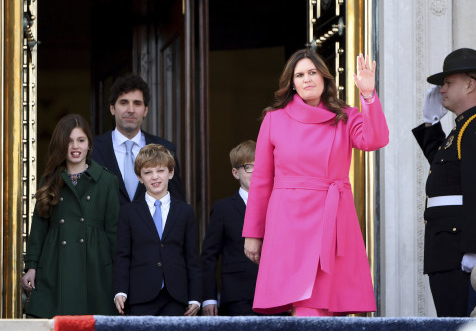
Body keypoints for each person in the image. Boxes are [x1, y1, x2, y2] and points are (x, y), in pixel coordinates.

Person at [242, 49, 389, 316]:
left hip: (331, 220)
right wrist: (253, 234)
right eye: (300, 75)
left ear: (324, 77)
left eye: (312, 73)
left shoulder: (345, 115)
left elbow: (374, 140)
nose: (307, 79)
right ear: (292, 83)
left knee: (330, 306)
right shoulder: (274, 119)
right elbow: (262, 180)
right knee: (305, 306)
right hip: (288, 221)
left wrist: (368, 95)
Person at [412, 48, 476, 317]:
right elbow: (443, 171)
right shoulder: (461, 128)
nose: (441, 90)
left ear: (470, 84)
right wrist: (430, 125)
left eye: (448, 83)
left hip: (460, 248)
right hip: (446, 249)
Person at [21, 114, 120, 317]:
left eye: (81, 140)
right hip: (55, 264)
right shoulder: (49, 180)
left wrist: (118, 276)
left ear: (89, 145)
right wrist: (31, 266)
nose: (75, 146)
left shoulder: (107, 181)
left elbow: (114, 232)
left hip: (95, 265)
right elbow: (39, 226)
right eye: (69, 141)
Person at [113, 144, 202, 316]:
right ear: (139, 177)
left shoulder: (185, 211)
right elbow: (122, 255)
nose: (155, 177)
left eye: (160, 171)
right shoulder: (129, 212)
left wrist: (195, 297)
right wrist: (120, 290)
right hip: (140, 295)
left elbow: (192, 258)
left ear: (171, 173)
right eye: (148, 172)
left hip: (175, 296)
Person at [90, 74, 185, 206]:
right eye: (124, 103)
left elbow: (177, 205)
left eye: (137, 103)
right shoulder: (92, 149)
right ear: (112, 108)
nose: (131, 110)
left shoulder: (166, 149)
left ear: (145, 110)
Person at [201, 140, 259, 316]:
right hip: (237, 295)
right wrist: (209, 297)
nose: (256, 172)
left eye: (261, 166)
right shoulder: (223, 209)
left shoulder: (277, 204)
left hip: (274, 294)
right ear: (236, 172)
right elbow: (209, 256)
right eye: (249, 167)